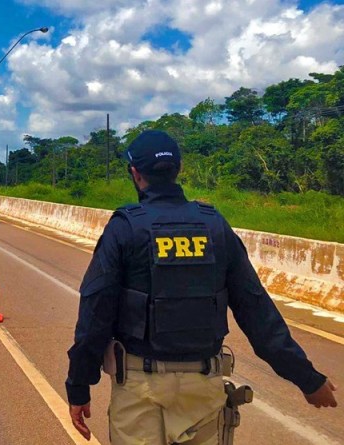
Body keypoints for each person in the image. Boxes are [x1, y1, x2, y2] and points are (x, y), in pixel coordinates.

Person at [65, 130, 337, 444]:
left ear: (135, 173)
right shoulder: (214, 225)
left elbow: (95, 314)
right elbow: (257, 311)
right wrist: (307, 378)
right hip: (203, 387)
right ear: (179, 168)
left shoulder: (125, 228)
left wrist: (79, 387)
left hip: (139, 390)